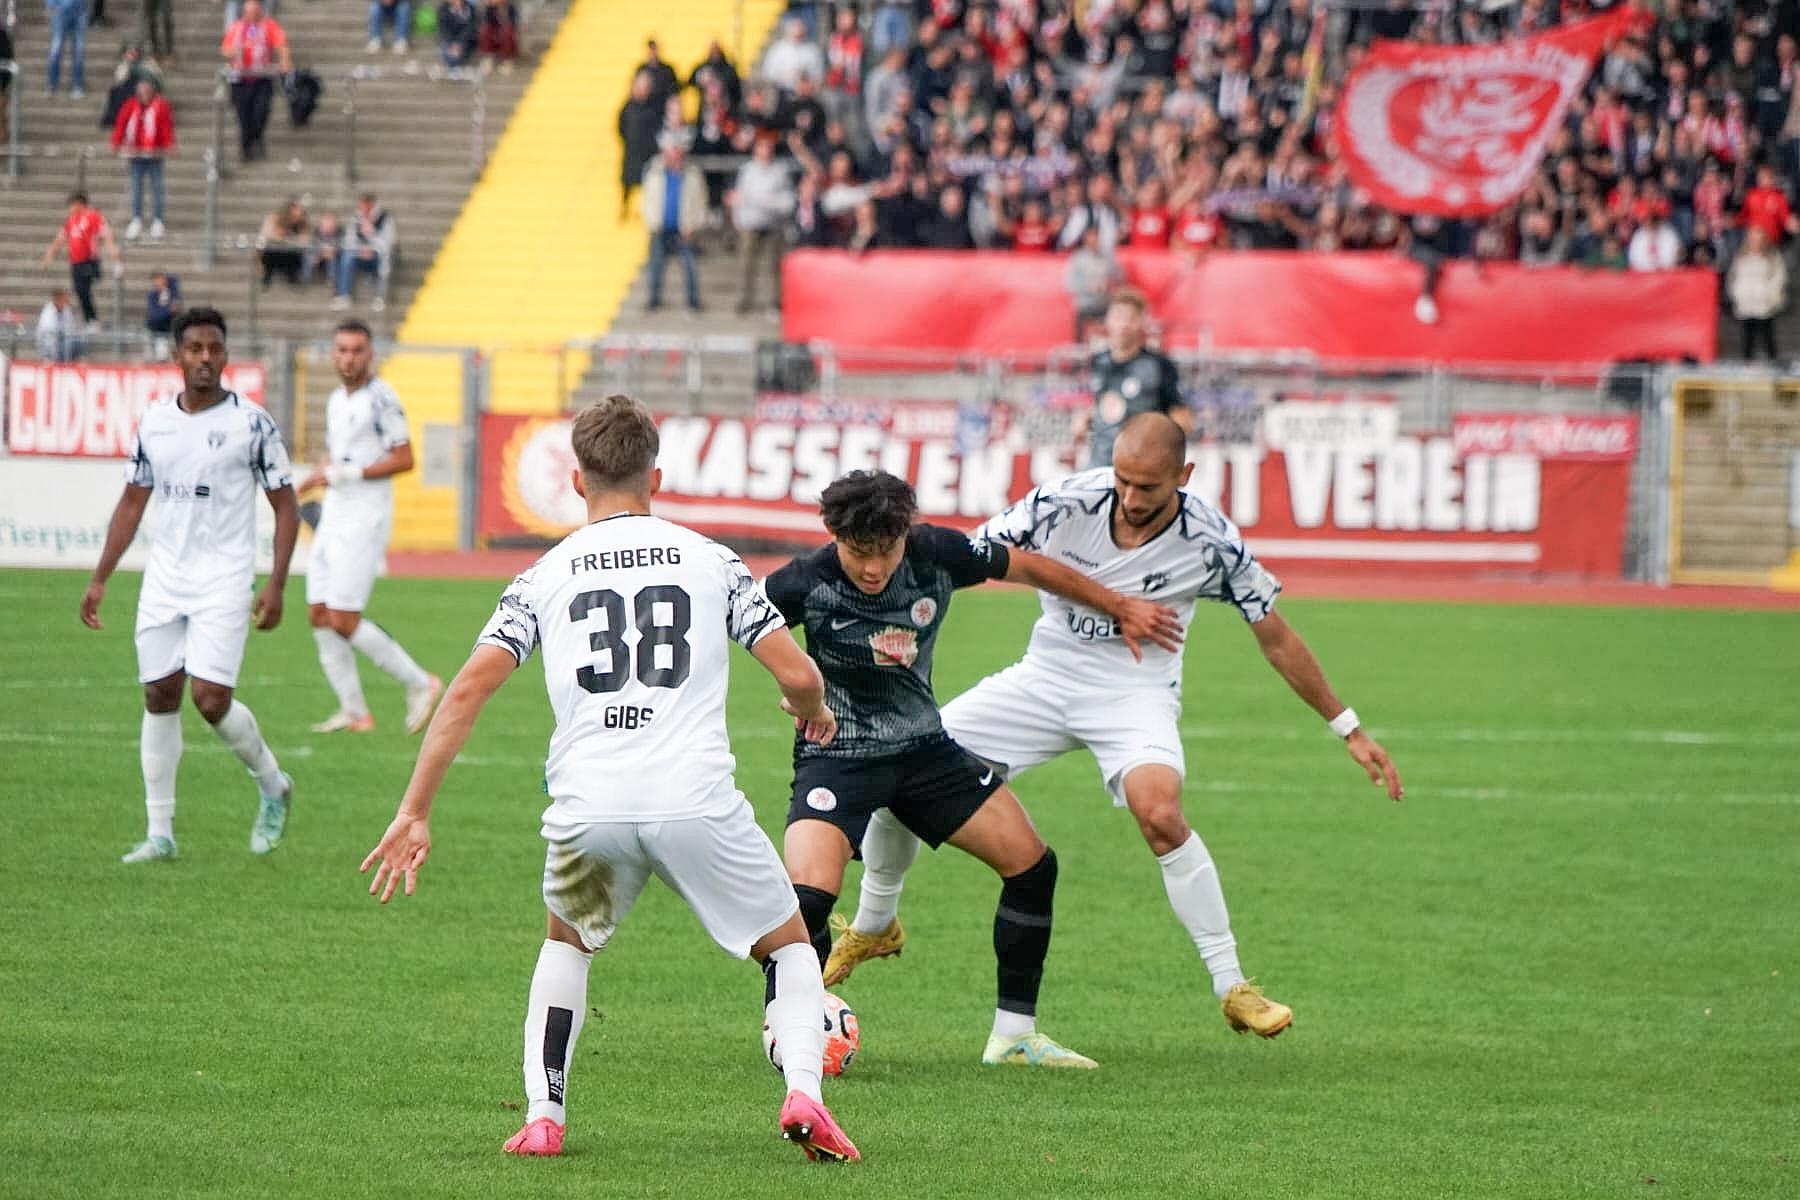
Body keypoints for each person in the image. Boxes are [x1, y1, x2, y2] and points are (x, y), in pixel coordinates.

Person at [360, 395, 860, 1163]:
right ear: (655, 477)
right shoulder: (710, 560)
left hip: (590, 804)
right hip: (694, 801)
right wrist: (812, 709)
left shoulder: (543, 575)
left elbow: (464, 692)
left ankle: (543, 1116)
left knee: (566, 945)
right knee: (790, 947)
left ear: (576, 480)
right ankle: (802, 1092)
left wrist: (414, 810)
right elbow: (796, 673)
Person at [831, 416, 1405, 1040]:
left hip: (1135, 693)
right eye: (1123, 480)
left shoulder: (1211, 541)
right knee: (905, 759)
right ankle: (875, 923)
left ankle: (1233, 986)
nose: (1130, 497)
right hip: (1044, 679)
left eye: (1148, 487)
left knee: (1160, 812)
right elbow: (969, 555)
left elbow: (1276, 638)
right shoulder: (1064, 501)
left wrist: (1348, 728)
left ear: (1183, 476)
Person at [760, 469, 1183, 1068]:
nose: (874, 568)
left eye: (886, 550)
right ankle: (795, 1038)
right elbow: (736, 628)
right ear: (834, 536)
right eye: (859, 552)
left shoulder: (938, 552)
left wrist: (1116, 606)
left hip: (925, 754)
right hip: (838, 757)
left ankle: (1014, 1037)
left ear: (905, 535)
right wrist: (799, 690)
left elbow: (1029, 566)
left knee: (1032, 866)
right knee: (805, 899)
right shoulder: (804, 581)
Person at [81, 306, 300, 864]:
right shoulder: (155, 421)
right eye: (195, 348)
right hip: (165, 577)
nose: (206, 358)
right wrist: (100, 578)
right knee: (159, 693)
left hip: (225, 577)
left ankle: (273, 783)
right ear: (177, 354)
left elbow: (286, 506)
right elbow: (133, 500)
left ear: (226, 355)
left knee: (209, 698)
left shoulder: (252, 424)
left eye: (215, 348)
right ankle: (160, 834)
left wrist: (276, 584)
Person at [302, 321, 443, 734]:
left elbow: (405, 458)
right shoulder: (336, 400)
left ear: (370, 354)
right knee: (318, 613)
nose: (349, 358)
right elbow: (338, 455)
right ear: (333, 354)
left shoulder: (381, 399)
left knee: (343, 618)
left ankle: (420, 683)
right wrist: (313, 478)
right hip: (334, 512)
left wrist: (351, 473)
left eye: (357, 350)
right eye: (342, 350)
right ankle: (354, 711)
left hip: (364, 517)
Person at [1078, 289, 1188, 468]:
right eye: (1118, 317)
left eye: (1131, 318)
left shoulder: (1159, 365)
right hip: (1100, 464)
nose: (1124, 325)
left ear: (1142, 322)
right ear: (1107, 321)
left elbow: (1181, 418)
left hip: (1142, 467)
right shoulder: (1098, 362)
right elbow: (1101, 403)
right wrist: (1084, 419)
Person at [729, 135, 795, 315]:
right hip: (750, 224)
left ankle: (775, 301)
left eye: (768, 148)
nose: (765, 151)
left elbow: (786, 201)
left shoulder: (780, 170)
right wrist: (738, 219)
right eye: (761, 147)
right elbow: (739, 197)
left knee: (774, 267)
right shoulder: (747, 170)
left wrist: (759, 201)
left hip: (773, 224)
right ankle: (745, 300)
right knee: (746, 265)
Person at [221, 0, 292, 162]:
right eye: (249, 11)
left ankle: (257, 137)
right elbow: (225, 49)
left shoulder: (268, 26)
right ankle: (246, 147)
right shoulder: (237, 27)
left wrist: (285, 62)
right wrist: (233, 53)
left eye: (255, 10)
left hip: (261, 78)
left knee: (261, 111)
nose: (252, 14)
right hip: (240, 79)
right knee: (243, 116)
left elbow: (281, 44)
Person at [640, 141, 705, 313]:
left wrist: (693, 225)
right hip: (660, 228)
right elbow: (646, 201)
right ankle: (654, 300)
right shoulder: (654, 173)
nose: (674, 159)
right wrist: (652, 222)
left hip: (684, 229)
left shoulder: (692, 175)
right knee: (656, 266)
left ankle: (693, 301)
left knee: (690, 266)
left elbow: (700, 202)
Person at [40, 192, 118, 330]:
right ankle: (90, 320)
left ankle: (92, 320)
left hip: (89, 260)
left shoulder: (94, 216)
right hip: (75, 262)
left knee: (83, 290)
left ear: (79, 204)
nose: (70, 209)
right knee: (79, 291)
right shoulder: (71, 221)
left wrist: (114, 253)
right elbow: (60, 239)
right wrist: (49, 255)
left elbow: (106, 235)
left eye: (72, 205)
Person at [112, 76, 175, 242]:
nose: (145, 93)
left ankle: (158, 220)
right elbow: (121, 124)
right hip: (136, 154)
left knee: (157, 187)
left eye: (147, 89)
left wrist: (169, 144)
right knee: (136, 187)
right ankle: (136, 219)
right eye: (142, 89)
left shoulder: (161, 106)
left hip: (154, 154)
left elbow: (166, 126)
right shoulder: (130, 105)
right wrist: (116, 143)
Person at [1728, 225, 1787, 360]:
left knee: (1767, 334)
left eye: (1758, 239)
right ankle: (1747, 362)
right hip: (1745, 301)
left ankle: (1772, 361)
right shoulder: (1740, 257)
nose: (1755, 242)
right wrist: (1737, 293)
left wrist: (1771, 295)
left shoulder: (1772, 257)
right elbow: (1733, 277)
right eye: (1752, 239)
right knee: (1747, 335)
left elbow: (1779, 277)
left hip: (1764, 301)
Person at [332, 194, 396, 311]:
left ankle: (380, 297)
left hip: (378, 255)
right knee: (346, 257)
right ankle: (344, 295)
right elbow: (349, 240)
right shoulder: (356, 218)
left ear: (370, 205)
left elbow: (388, 242)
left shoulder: (385, 218)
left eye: (363, 206)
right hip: (360, 254)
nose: (361, 208)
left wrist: (372, 241)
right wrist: (361, 249)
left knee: (385, 261)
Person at [617, 70, 661, 222]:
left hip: (647, 154)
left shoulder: (653, 107)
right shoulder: (627, 107)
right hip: (632, 152)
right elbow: (620, 127)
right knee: (628, 183)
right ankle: (625, 209)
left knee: (648, 184)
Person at [258, 200, 309, 286]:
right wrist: (280, 237)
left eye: (299, 214)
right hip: (273, 252)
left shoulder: (301, 225)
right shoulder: (274, 219)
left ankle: (293, 276)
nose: (296, 217)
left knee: (296, 255)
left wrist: (292, 239)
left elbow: (304, 241)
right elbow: (264, 237)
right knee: (269, 253)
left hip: (289, 253)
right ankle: (267, 277)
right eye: (294, 214)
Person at [46, 0, 89, 99]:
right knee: (56, 49)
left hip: (79, 11)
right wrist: (51, 4)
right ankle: (52, 83)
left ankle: (77, 85)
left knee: (79, 51)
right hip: (60, 11)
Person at [35, 287, 83, 362]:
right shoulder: (48, 312)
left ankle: (73, 362)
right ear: (57, 299)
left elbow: (71, 327)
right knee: (67, 344)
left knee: (79, 342)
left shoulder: (66, 309)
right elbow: (48, 331)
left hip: (62, 339)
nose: (66, 301)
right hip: (51, 342)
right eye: (64, 299)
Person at [144, 269, 181, 351]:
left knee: (163, 352)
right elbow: (154, 315)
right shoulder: (152, 295)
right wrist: (168, 310)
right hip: (155, 329)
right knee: (153, 352)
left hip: (168, 328)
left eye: (162, 279)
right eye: (157, 280)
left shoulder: (172, 292)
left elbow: (175, 279)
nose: (160, 282)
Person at [477, 0, 519, 71]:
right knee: (484, 30)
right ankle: (488, 58)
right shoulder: (490, 8)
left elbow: (513, 23)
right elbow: (487, 21)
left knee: (507, 31)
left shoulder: (510, 7)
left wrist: (502, 12)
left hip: (506, 31)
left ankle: (507, 61)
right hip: (495, 30)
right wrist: (487, 8)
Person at [436, 0, 478, 69]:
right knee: (446, 53)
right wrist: (451, 44)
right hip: (449, 41)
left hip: (465, 41)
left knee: (456, 56)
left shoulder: (469, 9)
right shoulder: (443, 9)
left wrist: (459, 43)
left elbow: (470, 29)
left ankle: (456, 63)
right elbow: (443, 29)